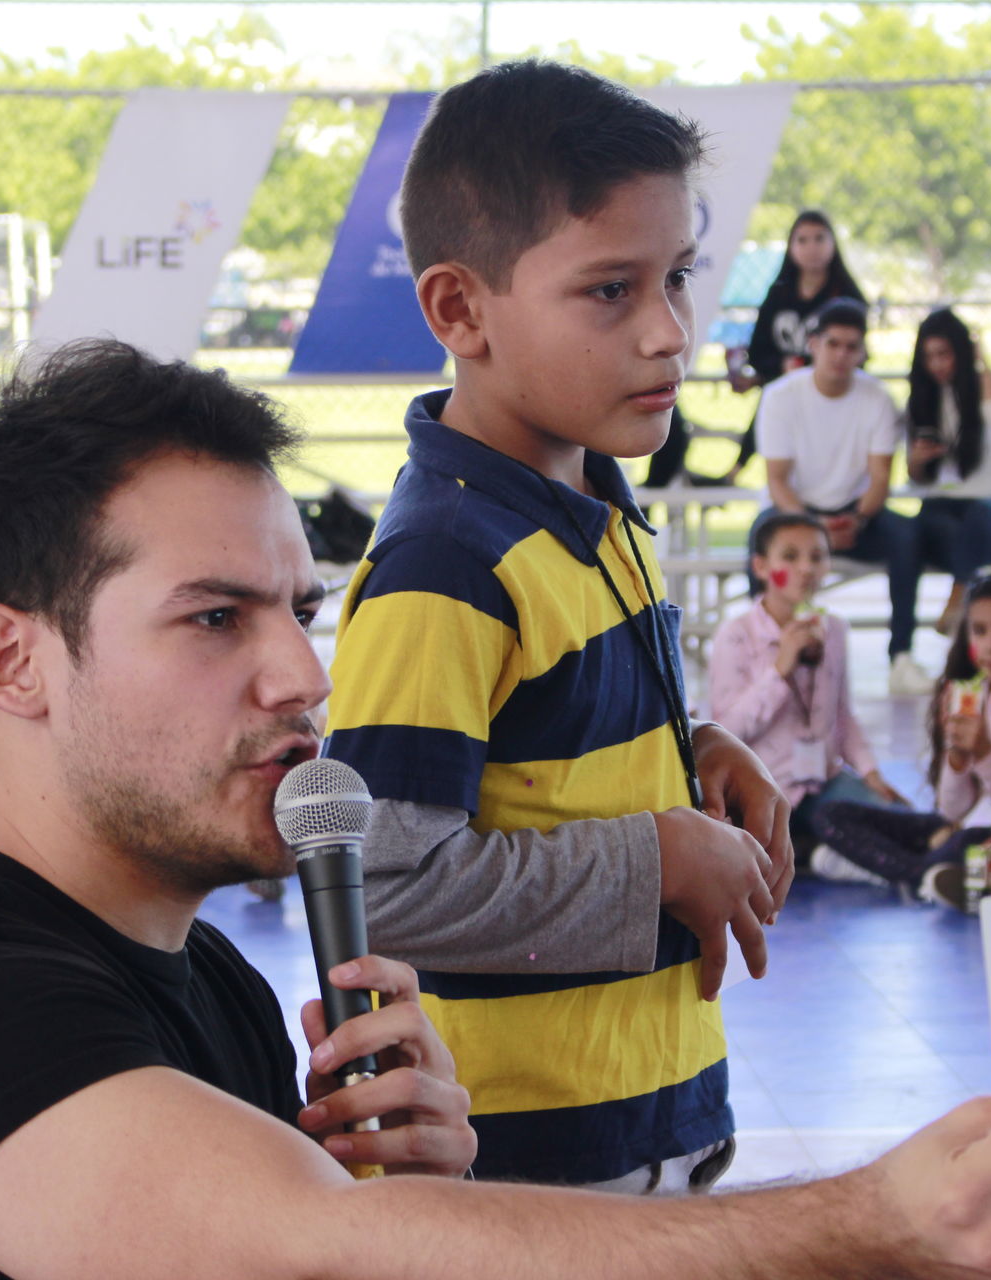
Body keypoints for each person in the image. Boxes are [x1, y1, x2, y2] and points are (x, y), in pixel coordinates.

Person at [0, 344, 991, 1280]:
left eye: (297, 607)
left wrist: (419, 1182)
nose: (301, 673)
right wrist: (868, 1232)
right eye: (214, 618)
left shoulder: (216, 987)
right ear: (10, 660)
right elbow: (309, 1248)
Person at [325, 60, 791, 1192]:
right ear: (458, 309)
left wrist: (697, 752)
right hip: (520, 1166)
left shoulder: (594, 499)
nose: (668, 332)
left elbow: (553, 751)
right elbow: (381, 884)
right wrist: (660, 856)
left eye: (678, 277)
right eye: (609, 290)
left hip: (643, 1121)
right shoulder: (444, 565)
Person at [815, 572, 991, 903]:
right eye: (979, 631)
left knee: (969, 843)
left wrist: (985, 752)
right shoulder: (971, 693)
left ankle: (895, 872)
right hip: (972, 824)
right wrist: (957, 759)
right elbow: (952, 809)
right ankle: (926, 875)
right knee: (832, 815)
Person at [708, 512, 905, 885]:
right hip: (763, 790)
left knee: (896, 821)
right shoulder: (735, 635)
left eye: (817, 557)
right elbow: (727, 732)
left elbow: (843, 714)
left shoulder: (832, 629)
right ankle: (815, 852)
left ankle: (816, 854)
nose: (806, 569)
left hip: (822, 780)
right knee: (746, 848)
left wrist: (870, 772)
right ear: (762, 567)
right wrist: (780, 668)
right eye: (791, 557)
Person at [757, 298, 934, 694]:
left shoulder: (876, 398)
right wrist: (814, 530)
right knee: (763, 539)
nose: (841, 355)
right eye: (833, 343)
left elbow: (880, 479)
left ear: (863, 351)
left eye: (851, 346)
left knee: (908, 537)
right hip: (794, 512)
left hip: (856, 515)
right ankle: (765, 650)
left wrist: (856, 519)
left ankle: (901, 658)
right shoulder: (781, 396)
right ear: (814, 344)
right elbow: (778, 481)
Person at [717, 210, 868, 484]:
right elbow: (758, 350)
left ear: (833, 243)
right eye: (803, 240)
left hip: (833, 394)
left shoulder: (846, 295)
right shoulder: (779, 293)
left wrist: (818, 367)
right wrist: (783, 366)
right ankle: (739, 472)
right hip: (784, 389)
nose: (812, 248)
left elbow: (860, 354)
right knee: (775, 399)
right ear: (791, 246)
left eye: (819, 239)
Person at [904, 307, 991, 637]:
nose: (937, 364)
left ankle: (958, 596)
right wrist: (917, 460)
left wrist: (978, 358)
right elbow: (915, 479)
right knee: (945, 529)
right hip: (940, 509)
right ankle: (969, 606)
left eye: (945, 353)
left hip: (988, 511)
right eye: (929, 356)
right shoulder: (923, 400)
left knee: (981, 517)